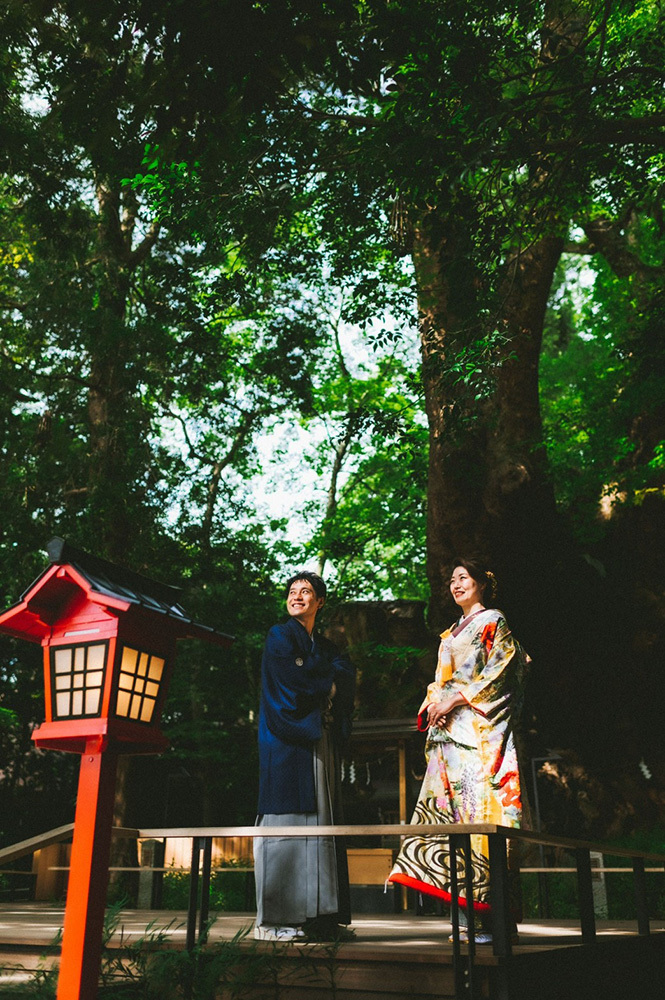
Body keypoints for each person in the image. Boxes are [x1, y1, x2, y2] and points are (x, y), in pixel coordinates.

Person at [388, 559, 530, 943]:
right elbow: (441, 682)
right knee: (453, 823)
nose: (456, 584)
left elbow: (501, 670)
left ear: (484, 583)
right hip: (450, 738)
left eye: (463, 578)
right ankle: (465, 916)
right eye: (452, 580)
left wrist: (455, 699)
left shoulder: (493, 621)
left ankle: (492, 919)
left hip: (478, 736)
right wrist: (435, 701)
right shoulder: (450, 632)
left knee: (479, 816)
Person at [254, 571, 356, 942]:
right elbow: (292, 679)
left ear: (320, 602)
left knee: (324, 823)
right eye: (293, 591)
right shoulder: (279, 636)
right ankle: (275, 920)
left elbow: (346, 674)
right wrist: (326, 681)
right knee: (289, 824)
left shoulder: (325, 647)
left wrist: (323, 675)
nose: (297, 596)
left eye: (307, 591)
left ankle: (322, 918)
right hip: (288, 741)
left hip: (319, 740)